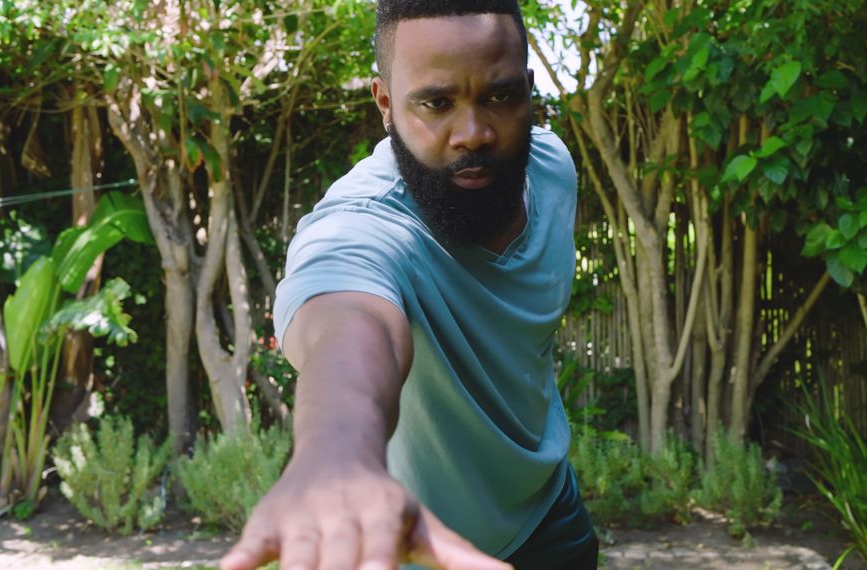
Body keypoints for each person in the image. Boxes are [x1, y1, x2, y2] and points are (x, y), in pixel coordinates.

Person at [220, 1, 597, 569]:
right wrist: (338, 454)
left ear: (528, 87)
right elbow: (351, 329)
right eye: (437, 103)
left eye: (499, 96)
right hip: (415, 547)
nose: (473, 133)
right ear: (385, 104)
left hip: (551, 513)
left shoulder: (551, 169)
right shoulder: (363, 223)